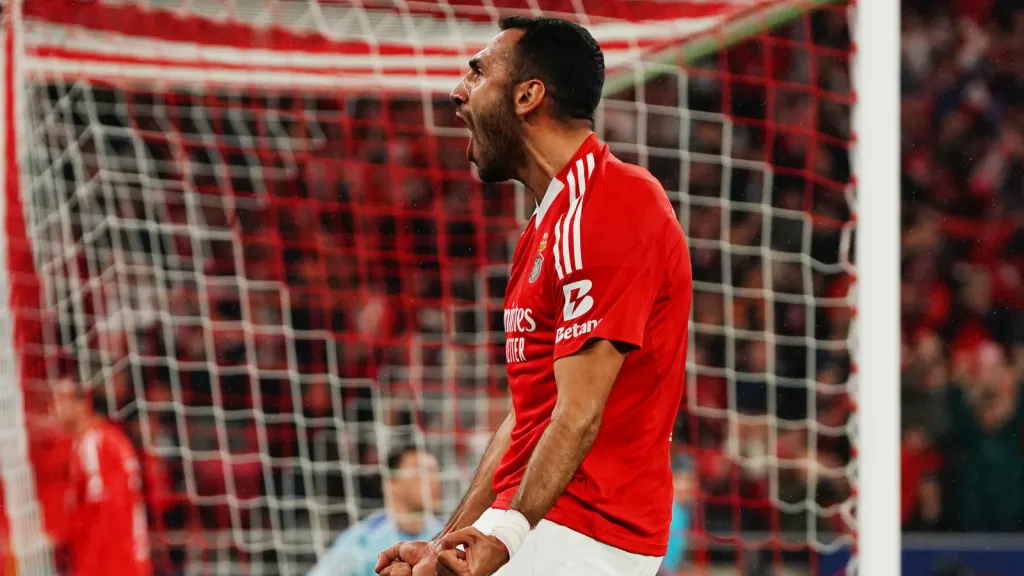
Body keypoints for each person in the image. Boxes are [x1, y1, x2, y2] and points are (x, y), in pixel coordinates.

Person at [376, 15, 692, 576]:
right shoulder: (549, 223)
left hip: (588, 531)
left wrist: (503, 544)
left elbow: (578, 414)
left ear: (527, 95)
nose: (458, 92)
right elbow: (530, 417)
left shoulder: (617, 204)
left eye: (477, 73)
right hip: (542, 520)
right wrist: (442, 541)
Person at [51, 378, 151, 576]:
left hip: (111, 561)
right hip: (122, 556)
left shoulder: (97, 443)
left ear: (81, 404)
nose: (54, 408)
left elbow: (103, 507)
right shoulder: (103, 439)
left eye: (60, 400)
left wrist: (60, 533)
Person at [308, 447, 444, 576]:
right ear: (391, 482)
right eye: (419, 472)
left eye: (434, 471)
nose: (434, 480)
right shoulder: (363, 540)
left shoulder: (448, 534)